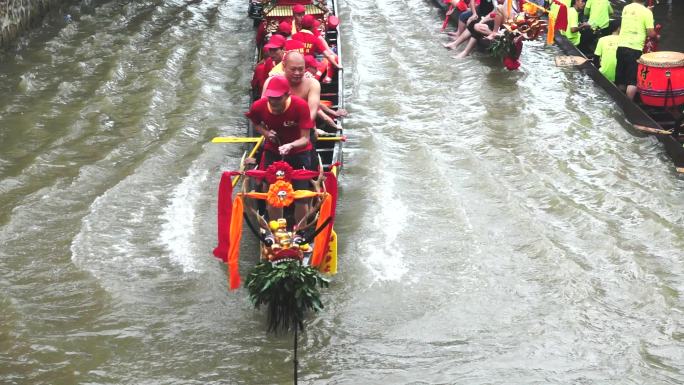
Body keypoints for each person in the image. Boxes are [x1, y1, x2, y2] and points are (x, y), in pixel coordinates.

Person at [246, 75, 314, 222]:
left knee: (301, 196)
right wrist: (266, 133)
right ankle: (276, 228)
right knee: (273, 191)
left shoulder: (300, 106)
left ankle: (300, 231)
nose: (273, 101)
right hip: (273, 150)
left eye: (277, 98)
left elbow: (305, 138)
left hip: (299, 152)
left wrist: (290, 145)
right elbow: (255, 122)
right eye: (271, 97)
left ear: (287, 94)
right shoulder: (259, 106)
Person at [615, 0, 656, 100]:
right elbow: (650, 33)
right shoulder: (647, 12)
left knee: (621, 77)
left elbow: (635, 17)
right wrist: (657, 36)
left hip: (621, 47)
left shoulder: (626, 8)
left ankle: (620, 100)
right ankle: (629, 104)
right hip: (635, 49)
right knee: (632, 80)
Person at [292, 15, 343, 83]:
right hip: (309, 65)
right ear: (313, 27)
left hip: (296, 65)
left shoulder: (294, 37)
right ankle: (326, 78)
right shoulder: (315, 39)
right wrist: (337, 66)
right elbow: (327, 55)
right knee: (332, 58)